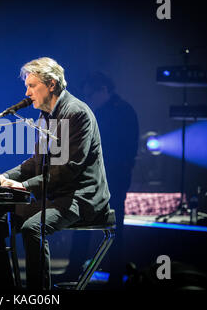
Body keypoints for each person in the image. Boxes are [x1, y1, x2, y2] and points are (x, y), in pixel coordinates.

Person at [0, 57, 112, 290]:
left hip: (81, 197)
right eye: (26, 86)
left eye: (32, 86)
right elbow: (35, 163)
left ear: (51, 84)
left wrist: (24, 187)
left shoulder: (76, 113)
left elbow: (68, 170)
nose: (27, 92)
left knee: (32, 228)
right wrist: (1, 178)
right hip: (55, 195)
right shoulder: (45, 116)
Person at [64, 71, 139, 288]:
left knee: (114, 227)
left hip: (113, 179)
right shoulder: (101, 111)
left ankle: (114, 274)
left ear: (104, 90)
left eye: (91, 94)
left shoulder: (123, 112)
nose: (89, 99)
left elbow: (124, 151)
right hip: (94, 178)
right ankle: (74, 268)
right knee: (81, 221)